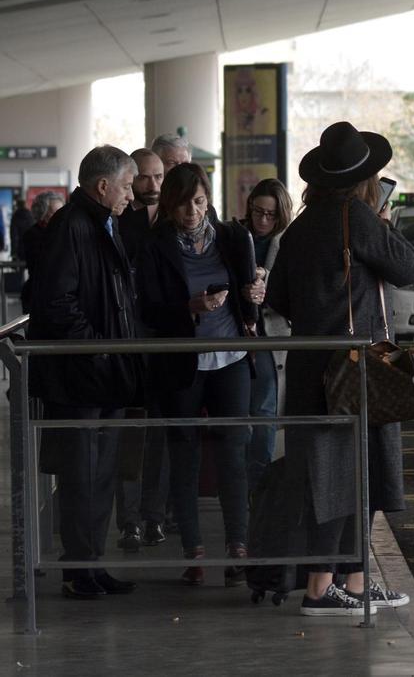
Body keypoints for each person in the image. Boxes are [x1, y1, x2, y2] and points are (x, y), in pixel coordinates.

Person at [265, 121, 414, 616]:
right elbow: (408, 268)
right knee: (357, 473)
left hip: (312, 365)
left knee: (327, 473)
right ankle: (321, 589)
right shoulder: (358, 216)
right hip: (357, 368)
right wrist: (385, 222)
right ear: (365, 178)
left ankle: (352, 581)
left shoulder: (301, 225)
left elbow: (279, 298)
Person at [136, 163, 260, 586]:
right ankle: (194, 551)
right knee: (184, 453)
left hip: (231, 358)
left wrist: (254, 296)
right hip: (182, 359)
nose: (192, 210)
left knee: (233, 453)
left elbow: (249, 291)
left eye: (200, 200)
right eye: (184, 202)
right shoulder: (155, 246)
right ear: (169, 204)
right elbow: (147, 309)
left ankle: (238, 547)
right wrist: (189, 308)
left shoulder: (231, 237)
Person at [28, 145, 142, 599]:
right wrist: (100, 350)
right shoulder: (73, 226)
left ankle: (91, 564)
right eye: (128, 186)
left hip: (102, 374)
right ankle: (79, 569)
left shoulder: (99, 223)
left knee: (100, 475)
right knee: (82, 477)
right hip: (83, 378)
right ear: (103, 186)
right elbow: (56, 302)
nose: (131, 196)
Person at [114, 147, 169, 552]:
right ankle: (129, 520)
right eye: (145, 177)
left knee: (163, 434)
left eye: (159, 176)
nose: (152, 185)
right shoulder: (118, 220)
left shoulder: (176, 218)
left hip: (166, 338)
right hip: (129, 338)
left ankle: (156, 516)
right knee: (131, 433)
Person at [238, 178, 293, 492]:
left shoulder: (288, 242)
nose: (262, 220)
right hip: (238, 336)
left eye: (270, 215)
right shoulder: (236, 234)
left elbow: (295, 289)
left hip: (271, 340)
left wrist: (265, 282)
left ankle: (257, 490)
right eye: (257, 211)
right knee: (237, 417)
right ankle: (239, 489)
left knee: (264, 415)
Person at [151, 133, 219, 223]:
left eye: (185, 163)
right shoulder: (150, 202)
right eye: (172, 163)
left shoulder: (207, 209)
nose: (180, 169)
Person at [18, 191, 65, 313]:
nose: (61, 216)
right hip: (39, 297)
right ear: (43, 213)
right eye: (56, 212)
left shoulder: (63, 232)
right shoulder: (32, 235)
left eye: (62, 211)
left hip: (59, 297)